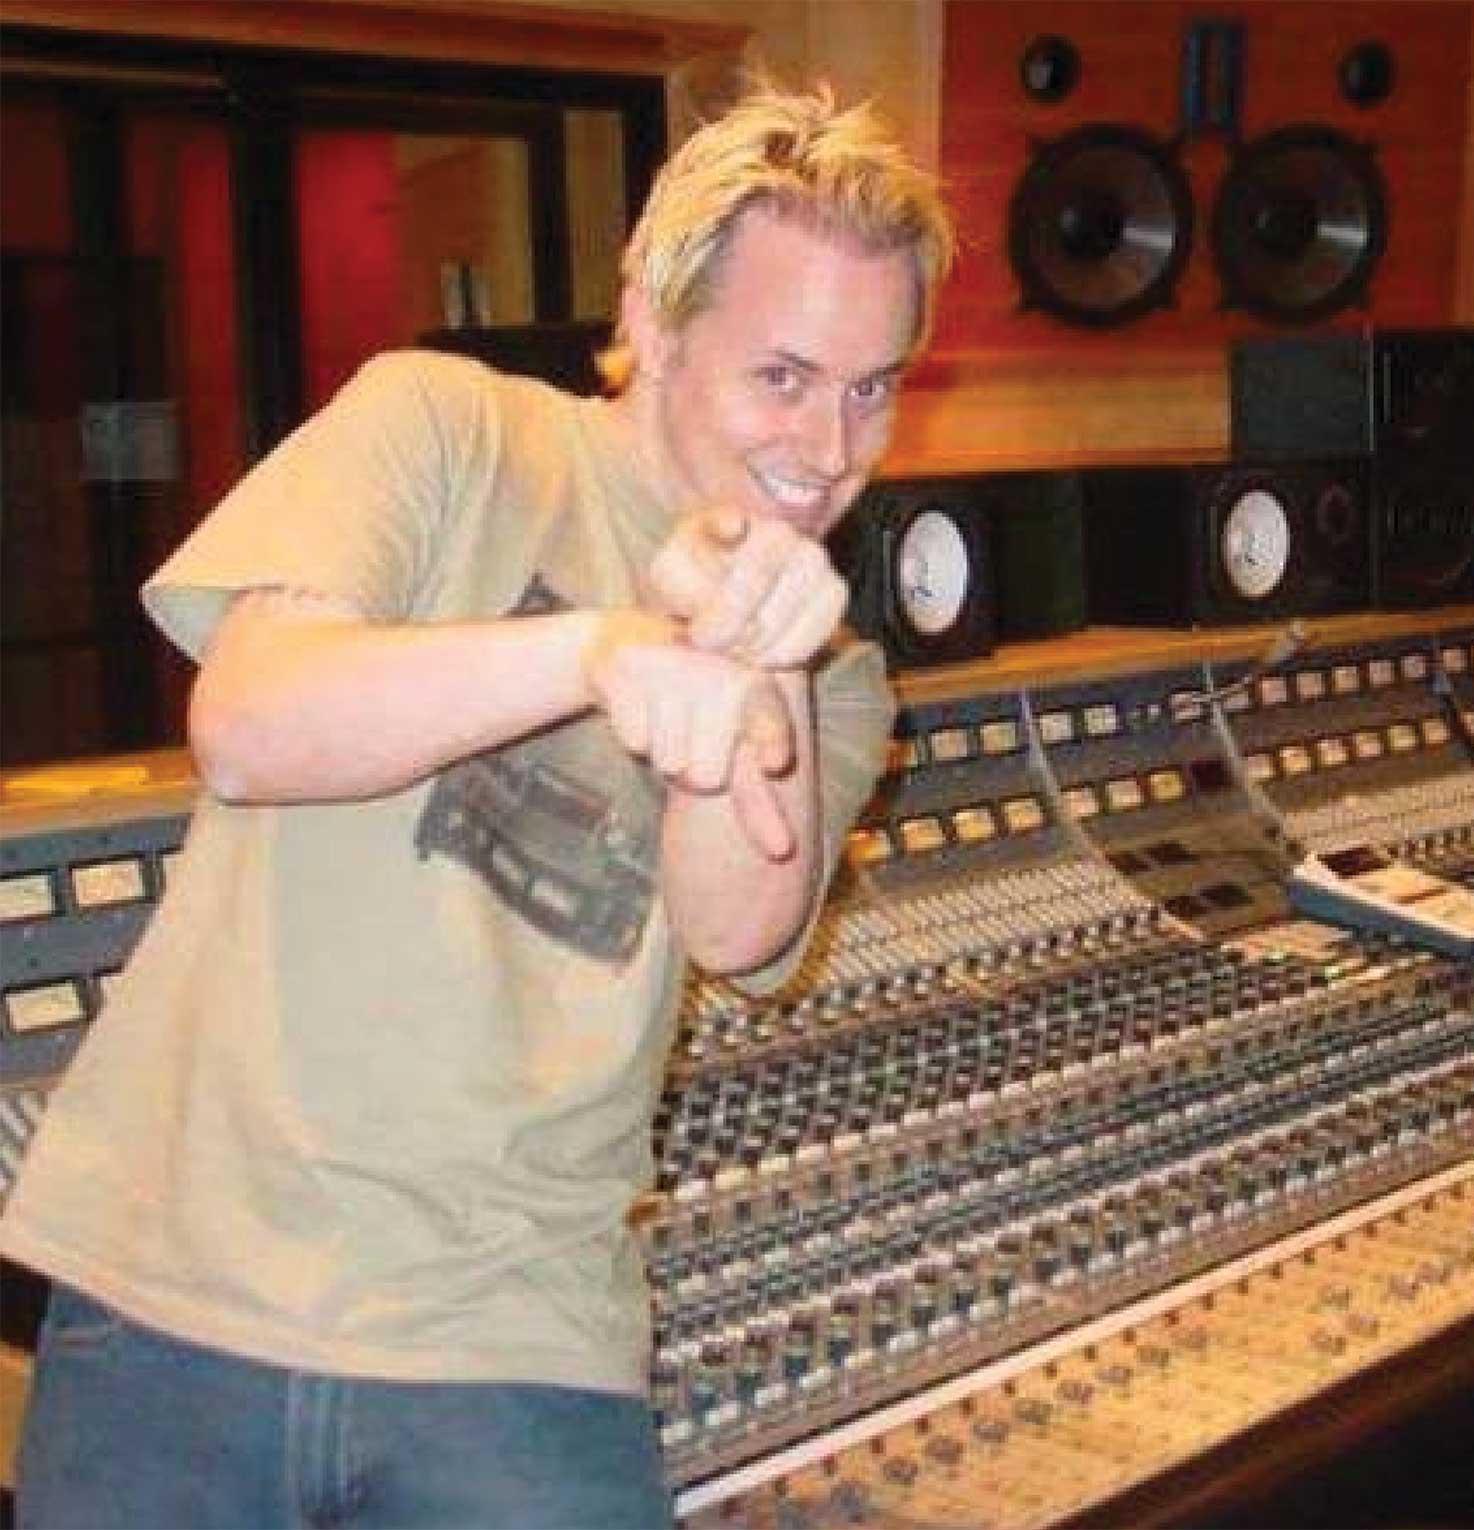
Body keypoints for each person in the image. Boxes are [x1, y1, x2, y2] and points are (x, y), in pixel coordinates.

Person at [2, 80, 953, 1529]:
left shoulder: (835, 670)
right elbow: (248, 722)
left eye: (870, 387)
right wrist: (598, 649)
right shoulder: (444, 425)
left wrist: (746, 649)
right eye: (783, 376)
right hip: (181, 1285)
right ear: (653, 321)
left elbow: (743, 927)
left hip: (516, 1337)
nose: (830, 449)